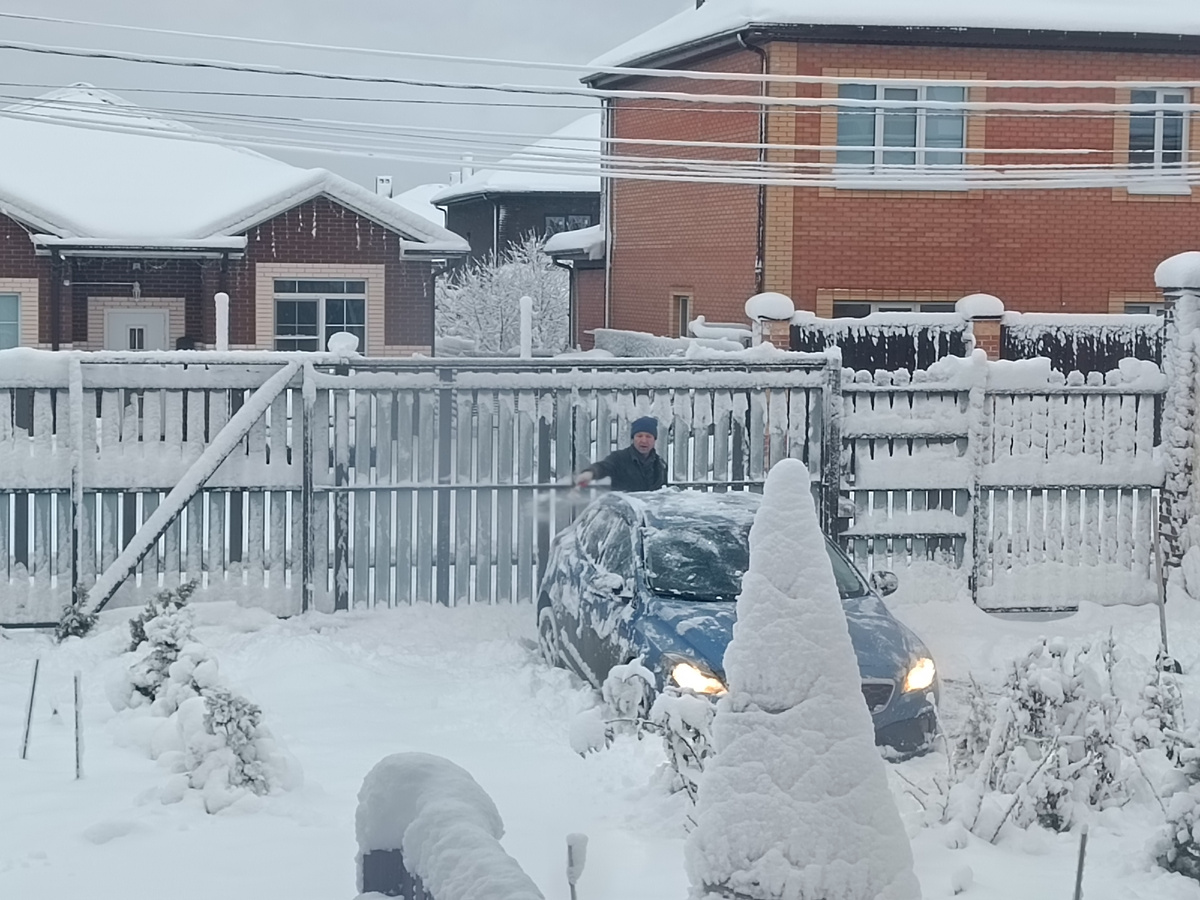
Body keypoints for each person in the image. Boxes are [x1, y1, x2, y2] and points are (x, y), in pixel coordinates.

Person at [575, 416, 668, 492]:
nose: (643, 440)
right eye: (639, 436)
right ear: (633, 438)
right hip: (622, 513)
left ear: (654, 440)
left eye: (648, 436)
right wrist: (590, 473)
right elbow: (603, 467)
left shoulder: (660, 465)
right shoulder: (619, 459)